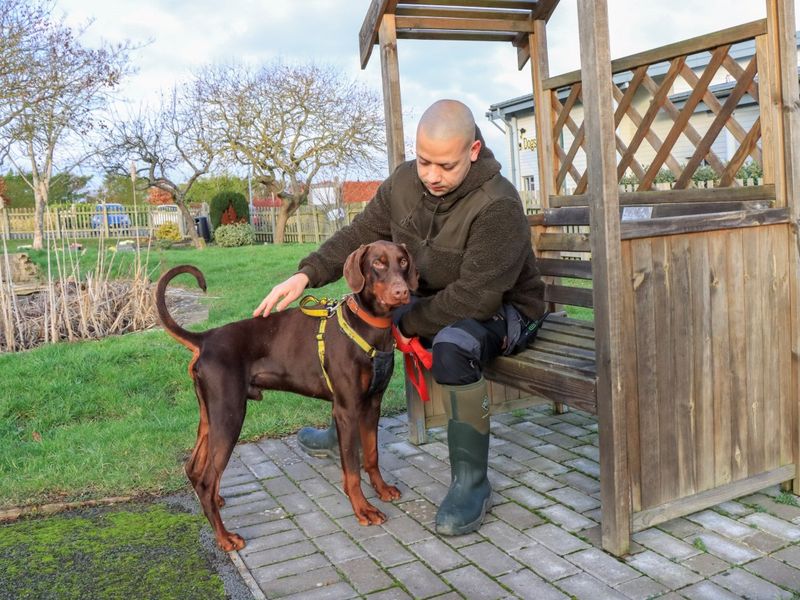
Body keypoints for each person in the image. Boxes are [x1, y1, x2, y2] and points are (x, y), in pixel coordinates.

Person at [253, 99, 546, 536]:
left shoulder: (498, 204)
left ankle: (471, 484)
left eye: (444, 165)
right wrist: (307, 274)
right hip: (434, 299)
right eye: (424, 160)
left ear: (473, 151)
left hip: (504, 310)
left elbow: (477, 298)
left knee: (453, 345)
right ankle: (345, 425)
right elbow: (359, 234)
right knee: (359, 316)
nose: (431, 175)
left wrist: (402, 324)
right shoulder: (404, 184)